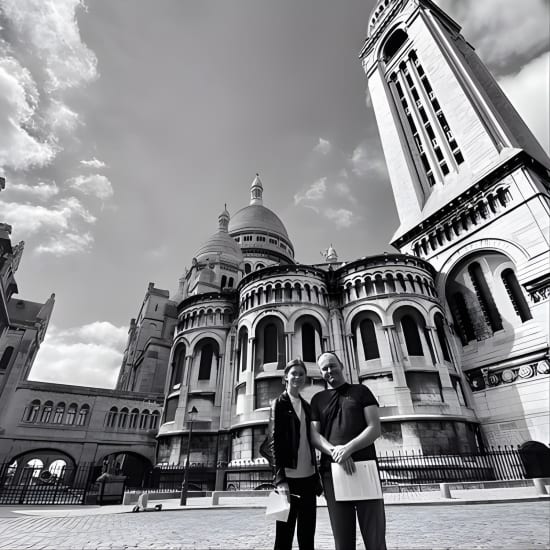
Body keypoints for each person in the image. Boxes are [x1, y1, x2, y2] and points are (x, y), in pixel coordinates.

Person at [310, 351, 386, 550]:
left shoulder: (361, 391)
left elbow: (374, 428)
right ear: (320, 373)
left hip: (365, 467)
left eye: (332, 365)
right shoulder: (318, 399)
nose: (329, 370)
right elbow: (315, 436)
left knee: (375, 537)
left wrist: (348, 449)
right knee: (342, 540)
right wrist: (336, 452)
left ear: (341, 365)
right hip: (332, 473)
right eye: (324, 368)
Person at [270, 358, 322, 550]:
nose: (298, 377)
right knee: (283, 538)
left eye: (301, 374)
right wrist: (280, 480)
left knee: (307, 537)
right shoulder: (278, 403)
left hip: (308, 479)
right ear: (285, 377)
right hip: (287, 481)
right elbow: (274, 442)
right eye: (294, 373)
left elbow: (311, 441)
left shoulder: (307, 406)